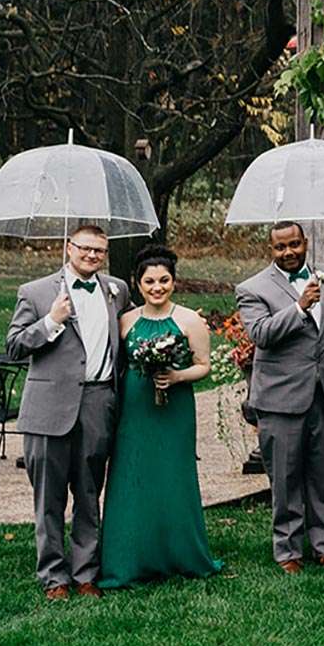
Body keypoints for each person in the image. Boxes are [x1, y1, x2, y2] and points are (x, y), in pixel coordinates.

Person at [6, 224, 131, 600]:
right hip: (48, 408)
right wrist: (51, 321)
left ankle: (85, 572)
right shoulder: (36, 292)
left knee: (89, 492)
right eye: (85, 248)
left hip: (98, 403)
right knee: (49, 497)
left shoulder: (117, 290)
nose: (92, 255)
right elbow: (14, 345)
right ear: (68, 247)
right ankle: (54, 576)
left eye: (99, 250)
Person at [98, 245, 223, 589]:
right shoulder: (126, 321)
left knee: (173, 477)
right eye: (150, 281)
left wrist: (177, 376)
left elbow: (204, 366)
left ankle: (180, 553)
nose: (157, 287)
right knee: (131, 477)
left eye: (164, 280)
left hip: (174, 412)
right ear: (137, 284)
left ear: (174, 281)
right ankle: (128, 558)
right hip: (134, 411)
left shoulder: (190, 320)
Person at [236, 221, 324, 572]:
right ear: (270, 249)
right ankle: (288, 550)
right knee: (285, 478)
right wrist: (299, 307)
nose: (288, 252)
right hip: (280, 398)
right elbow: (261, 334)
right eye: (280, 247)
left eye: (294, 244)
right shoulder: (252, 288)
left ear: (305, 242)